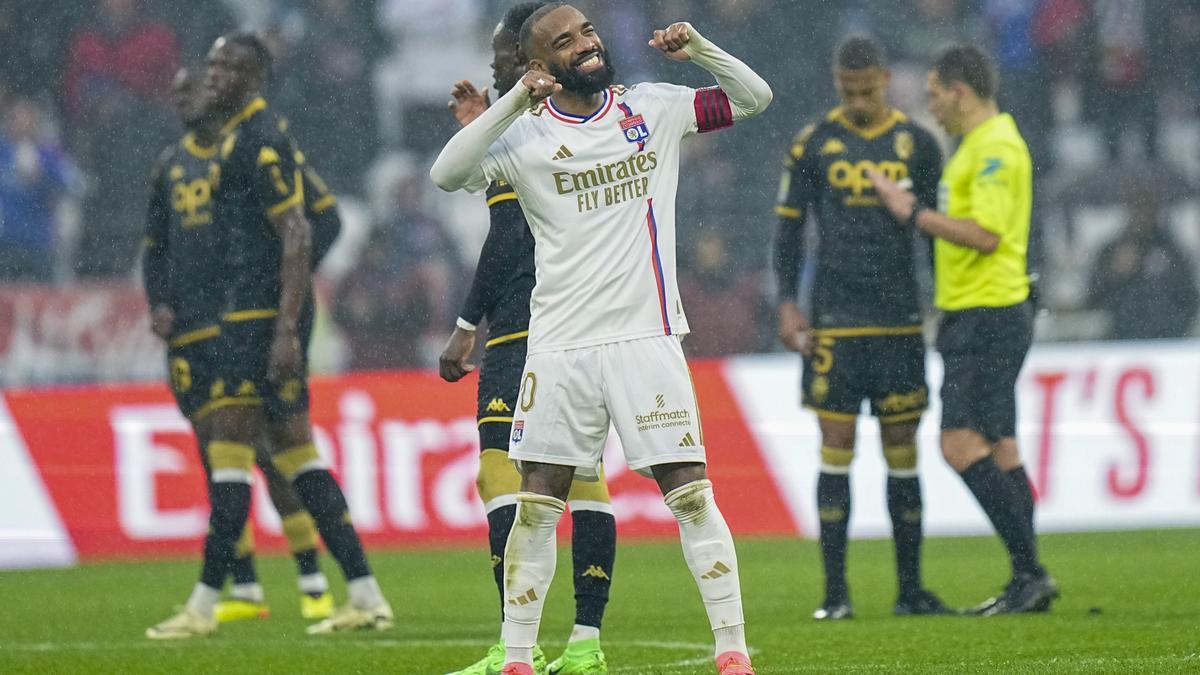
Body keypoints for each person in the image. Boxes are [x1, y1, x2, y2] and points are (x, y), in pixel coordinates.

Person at [430, 4, 771, 674]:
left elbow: (753, 98)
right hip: (558, 348)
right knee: (536, 505)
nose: (585, 45)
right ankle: (519, 657)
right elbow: (447, 173)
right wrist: (511, 105)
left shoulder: (653, 106)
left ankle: (732, 650)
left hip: (646, 336)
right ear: (540, 64)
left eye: (586, 31)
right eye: (564, 42)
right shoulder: (524, 139)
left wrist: (698, 46)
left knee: (691, 493)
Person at [146, 33, 390, 640]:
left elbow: (303, 232)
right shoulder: (231, 141)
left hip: (252, 321)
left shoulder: (258, 142)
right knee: (293, 452)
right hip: (243, 316)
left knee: (229, 450)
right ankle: (364, 591)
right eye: (214, 63)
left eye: (231, 66)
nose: (216, 74)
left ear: (254, 78)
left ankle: (208, 603)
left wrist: (286, 327)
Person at [438, 4, 617, 673]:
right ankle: (583, 643)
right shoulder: (539, 125)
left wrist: (464, 328)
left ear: (530, 59)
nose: (490, 68)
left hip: (531, 325)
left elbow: (508, 236)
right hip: (573, 321)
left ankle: (522, 646)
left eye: (498, 58)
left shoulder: (537, 132)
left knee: (505, 475)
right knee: (582, 477)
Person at [869, 44, 1058, 615]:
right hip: (978, 313)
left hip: (988, 315)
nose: (931, 105)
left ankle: (1032, 571)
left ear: (960, 90)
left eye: (934, 94)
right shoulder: (975, 145)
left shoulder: (997, 146)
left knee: (959, 443)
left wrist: (910, 210)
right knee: (1000, 447)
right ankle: (1028, 577)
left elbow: (986, 235)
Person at [773, 36, 949, 621]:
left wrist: (941, 300)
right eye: (847, 92)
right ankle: (835, 596)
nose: (857, 101)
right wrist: (787, 303)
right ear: (836, 82)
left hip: (899, 320)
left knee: (903, 454)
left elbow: (935, 230)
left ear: (885, 80)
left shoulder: (919, 144)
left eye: (867, 90)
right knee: (836, 451)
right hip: (835, 322)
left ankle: (911, 591)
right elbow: (789, 232)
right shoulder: (814, 143)